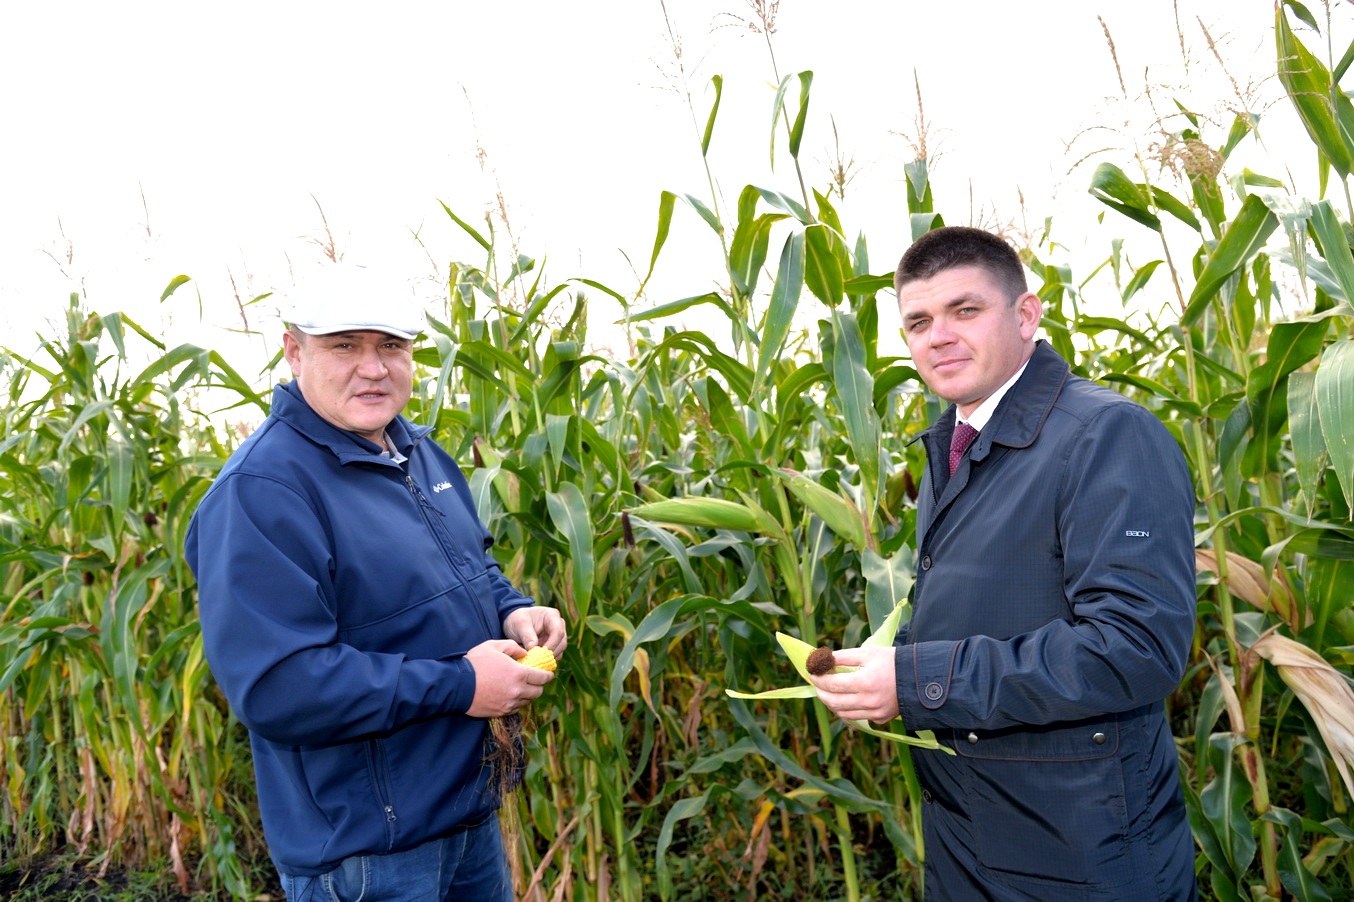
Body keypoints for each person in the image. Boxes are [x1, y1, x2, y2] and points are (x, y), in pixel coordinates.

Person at [808, 227, 1197, 900]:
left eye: (966, 310)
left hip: (1081, 858)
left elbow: (1137, 648)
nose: (939, 336)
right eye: (919, 322)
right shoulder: (954, 447)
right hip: (973, 844)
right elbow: (993, 609)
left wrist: (916, 680)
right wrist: (884, 670)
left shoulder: (1104, 436)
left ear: (1026, 314)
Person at [185, 264, 567, 901]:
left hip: (466, 814)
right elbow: (279, 687)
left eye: (392, 346)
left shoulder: (417, 451)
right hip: (369, 854)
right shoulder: (263, 493)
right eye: (345, 346)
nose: (374, 367)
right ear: (293, 350)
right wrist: (464, 685)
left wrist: (515, 611)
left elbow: (472, 568)